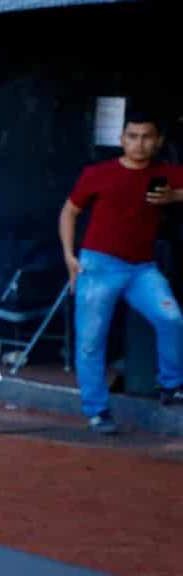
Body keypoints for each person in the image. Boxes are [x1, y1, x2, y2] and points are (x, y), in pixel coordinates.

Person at [58, 115, 183, 432]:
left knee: (171, 318)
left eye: (146, 137)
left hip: (142, 268)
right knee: (90, 341)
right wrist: (69, 257)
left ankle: (170, 384)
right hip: (98, 265)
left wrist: (177, 196)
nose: (139, 143)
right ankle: (97, 410)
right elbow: (69, 211)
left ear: (157, 142)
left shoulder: (165, 174)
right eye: (132, 136)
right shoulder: (99, 173)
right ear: (122, 139)